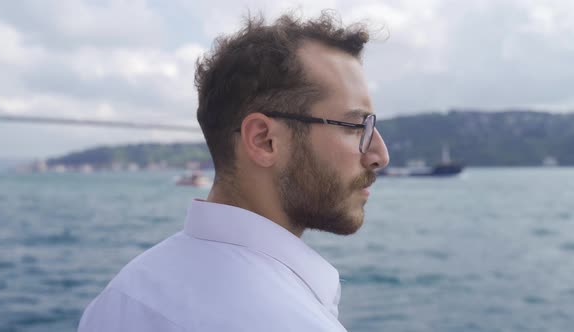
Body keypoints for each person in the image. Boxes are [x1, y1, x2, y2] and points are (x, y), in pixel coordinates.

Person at [78, 10, 389, 332]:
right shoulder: (292, 322)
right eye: (355, 126)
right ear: (263, 140)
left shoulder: (121, 296)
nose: (380, 155)